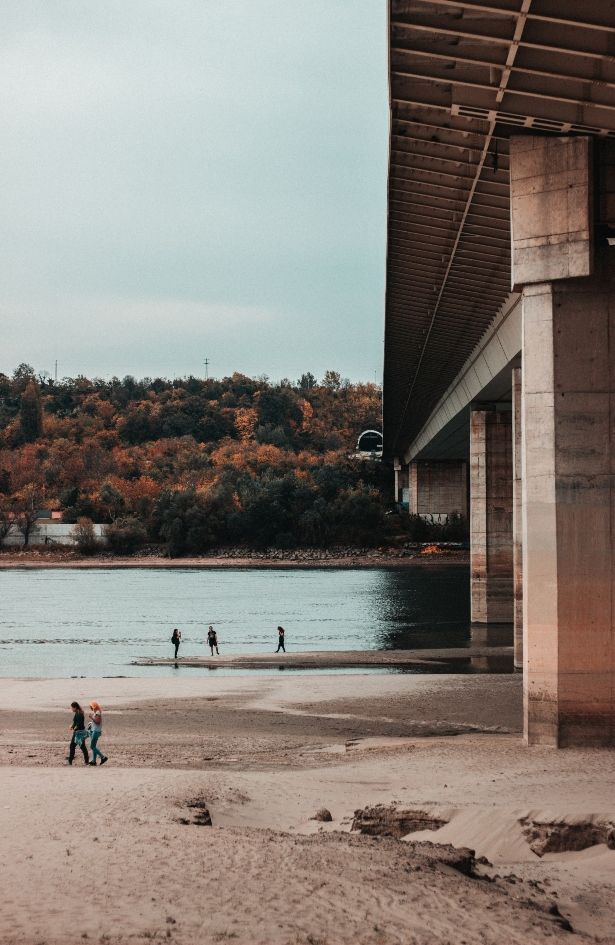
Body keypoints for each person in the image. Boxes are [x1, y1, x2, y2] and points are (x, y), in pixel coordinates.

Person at [66, 701, 89, 766]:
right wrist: (72, 726)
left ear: (75, 707)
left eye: (72, 708)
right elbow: (75, 722)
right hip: (79, 732)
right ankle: (86, 761)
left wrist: (73, 728)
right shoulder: (77, 713)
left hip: (79, 733)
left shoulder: (79, 714)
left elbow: (79, 725)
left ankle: (70, 762)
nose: (71, 709)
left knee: (73, 746)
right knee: (82, 747)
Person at [88, 701, 108, 767]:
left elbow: (97, 722)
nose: (91, 708)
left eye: (91, 707)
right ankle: (94, 761)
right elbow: (96, 722)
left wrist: (91, 718)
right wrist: (91, 723)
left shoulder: (97, 712)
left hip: (96, 732)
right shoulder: (97, 712)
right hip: (95, 731)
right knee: (94, 747)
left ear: (94, 706)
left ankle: (103, 757)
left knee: (92, 746)